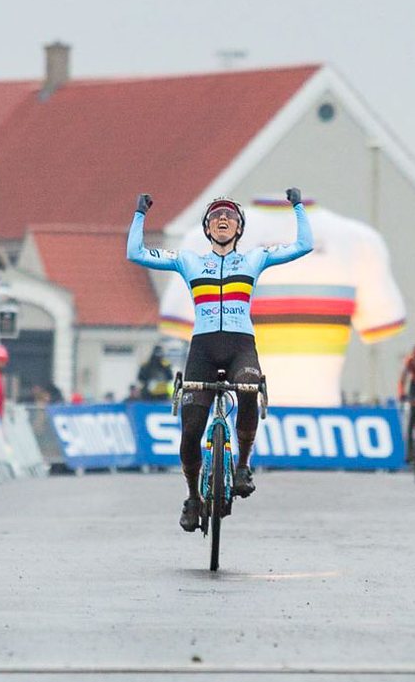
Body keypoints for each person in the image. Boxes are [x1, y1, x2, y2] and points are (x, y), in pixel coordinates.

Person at [127, 188, 312, 532]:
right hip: (203, 350)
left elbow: (303, 245)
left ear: (239, 229)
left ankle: (242, 466)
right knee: (190, 432)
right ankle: (193, 498)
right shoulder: (189, 261)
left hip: (241, 345)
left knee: (247, 387)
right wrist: (140, 214)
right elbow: (135, 252)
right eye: (215, 217)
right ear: (207, 229)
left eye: (229, 217)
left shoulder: (255, 259)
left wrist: (297, 207)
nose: (222, 220)